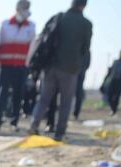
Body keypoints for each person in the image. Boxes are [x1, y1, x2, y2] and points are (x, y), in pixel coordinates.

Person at [29, 0, 92, 141]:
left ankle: (34, 124)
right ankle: (59, 132)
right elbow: (85, 48)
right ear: (84, 5)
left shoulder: (59, 17)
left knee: (43, 99)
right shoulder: (86, 24)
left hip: (50, 66)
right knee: (65, 102)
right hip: (70, 68)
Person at [0, 0, 36, 131]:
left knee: (18, 95)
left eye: (28, 8)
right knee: (1, 94)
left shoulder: (31, 26)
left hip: (22, 67)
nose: (27, 10)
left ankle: (14, 122)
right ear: (17, 9)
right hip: (5, 66)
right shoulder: (5, 25)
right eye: (24, 8)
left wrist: (31, 68)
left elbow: (32, 48)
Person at [73, 52, 90, 119]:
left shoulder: (86, 51)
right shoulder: (86, 51)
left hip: (77, 74)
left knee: (78, 94)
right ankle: (75, 112)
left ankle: (76, 112)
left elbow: (87, 64)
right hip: (72, 73)